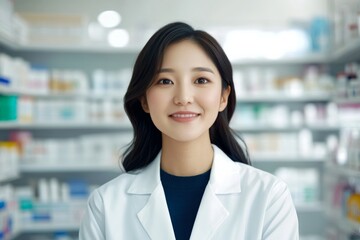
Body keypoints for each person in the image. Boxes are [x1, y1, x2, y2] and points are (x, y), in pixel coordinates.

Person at [79, 22, 299, 240]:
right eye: (165, 81)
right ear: (144, 100)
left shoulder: (269, 197)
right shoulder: (106, 205)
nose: (183, 97)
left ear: (223, 97)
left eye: (201, 80)